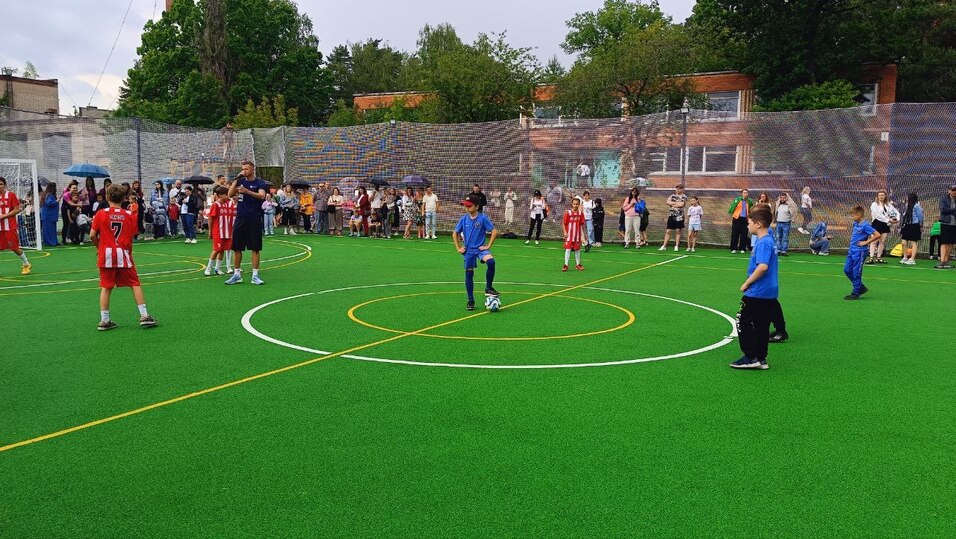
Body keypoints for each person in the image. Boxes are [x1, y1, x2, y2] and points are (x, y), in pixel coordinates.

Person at [89, 184, 157, 330]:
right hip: (123, 254)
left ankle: (104, 320)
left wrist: (99, 247)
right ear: (124, 198)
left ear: (107, 197)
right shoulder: (129, 215)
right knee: (134, 283)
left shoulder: (101, 213)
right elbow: (132, 234)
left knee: (106, 287)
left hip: (106, 254)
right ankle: (144, 315)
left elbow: (92, 235)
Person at [730, 206, 778, 370]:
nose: (747, 226)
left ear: (758, 224)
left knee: (742, 320)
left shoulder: (763, 242)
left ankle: (750, 356)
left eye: (749, 223)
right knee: (761, 325)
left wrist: (747, 283)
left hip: (757, 291)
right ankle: (761, 358)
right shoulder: (769, 239)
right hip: (769, 292)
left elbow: (763, 266)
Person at [225, 160, 269, 286]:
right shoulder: (240, 181)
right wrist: (236, 180)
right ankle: (237, 274)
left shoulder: (259, 182)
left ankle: (255, 275)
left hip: (254, 218)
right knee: (237, 247)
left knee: (255, 248)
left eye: (246, 169)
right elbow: (230, 194)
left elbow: (262, 196)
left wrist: (247, 191)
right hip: (240, 218)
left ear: (252, 169)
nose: (244, 171)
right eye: (243, 169)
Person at [453, 195, 499, 311]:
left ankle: (488, 288)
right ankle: (470, 300)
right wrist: (458, 248)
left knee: (491, 262)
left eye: (469, 206)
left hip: (480, 249)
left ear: (477, 206)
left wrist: (488, 246)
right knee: (469, 274)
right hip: (468, 251)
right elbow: (455, 233)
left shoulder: (483, 218)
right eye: (466, 206)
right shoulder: (463, 219)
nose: (467, 208)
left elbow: (494, 231)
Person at [844, 205, 882, 300]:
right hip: (852, 250)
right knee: (847, 270)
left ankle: (856, 292)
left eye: (853, 215)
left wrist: (866, 242)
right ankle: (861, 287)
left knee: (856, 272)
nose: (852, 217)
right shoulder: (855, 223)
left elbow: (877, 235)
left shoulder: (865, 225)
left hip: (860, 252)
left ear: (859, 215)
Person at [0, 177, 32, 275]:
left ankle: (26, 264)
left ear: (5, 185)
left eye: (1, 184)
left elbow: (17, 209)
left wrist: (4, 216)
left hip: (9, 227)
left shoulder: (11, 195)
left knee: (14, 247)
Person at [205, 186, 237, 276]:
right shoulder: (216, 205)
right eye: (226, 195)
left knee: (222, 250)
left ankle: (217, 268)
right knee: (216, 250)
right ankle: (208, 268)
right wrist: (210, 231)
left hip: (226, 232)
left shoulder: (226, 204)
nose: (227, 196)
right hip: (218, 231)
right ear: (220, 195)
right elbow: (210, 218)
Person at [867, 189, 896, 264]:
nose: (881, 196)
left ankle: (878, 257)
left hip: (885, 225)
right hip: (876, 223)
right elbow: (878, 215)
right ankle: (871, 258)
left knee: (882, 241)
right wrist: (888, 220)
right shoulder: (874, 204)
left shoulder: (888, 205)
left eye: (882, 195)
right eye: (879, 195)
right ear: (877, 196)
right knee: (874, 241)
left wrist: (894, 219)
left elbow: (893, 213)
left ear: (885, 196)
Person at [660, 184, 687, 252]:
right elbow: (667, 202)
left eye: (679, 188)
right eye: (677, 188)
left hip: (680, 216)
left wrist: (673, 203)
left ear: (682, 189)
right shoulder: (672, 196)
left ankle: (676, 246)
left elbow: (681, 205)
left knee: (678, 231)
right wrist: (676, 203)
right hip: (671, 215)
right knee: (668, 231)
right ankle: (664, 246)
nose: (678, 190)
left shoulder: (684, 197)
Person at [899, 192, 923, 266]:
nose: (907, 198)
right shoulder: (907, 205)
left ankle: (912, 259)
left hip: (914, 225)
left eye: (908, 197)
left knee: (913, 242)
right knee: (903, 242)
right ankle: (905, 257)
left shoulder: (917, 206)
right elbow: (905, 214)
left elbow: (920, 216)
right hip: (907, 225)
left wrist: (921, 225)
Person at [562, 197, 585, 271]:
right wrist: (565, 232)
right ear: (572, 204)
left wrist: (583, 235)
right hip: (569, 235)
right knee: (568, 249)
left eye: (577, 204)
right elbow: (564, 223)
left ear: (579, 205)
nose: (575, 205)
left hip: (577, 235)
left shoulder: (580, 213)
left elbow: (581, 224)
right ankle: (566, 265)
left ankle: (578, 264)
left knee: (577, 249)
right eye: (574, 204)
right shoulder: (568, 213)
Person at [728, 188, 753, 253]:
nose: (745, 194)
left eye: (746, 193)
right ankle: (734, 248)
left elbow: (751, 209)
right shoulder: (737, 200)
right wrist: (731, 212)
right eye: (744, 193)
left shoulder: (749, 201)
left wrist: (750, 217)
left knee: (744, 233)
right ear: (742, 193)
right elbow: (732, 207)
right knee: (735, 233)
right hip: (737, 218)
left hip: (745, 219)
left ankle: (742, 248)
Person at [936, 185, 956, 270]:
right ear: (949, 191)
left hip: (954, 225)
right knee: (944, 243)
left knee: (950, 243)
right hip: (945, 223)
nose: (954, 192)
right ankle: (942, 261)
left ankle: (946, 261)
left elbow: (946, 210)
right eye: (953, 190)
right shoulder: (943, 199)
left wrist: (950, 210)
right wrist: (954, 210)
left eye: (955, 190)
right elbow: (943, 209)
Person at [39, 182, 59, 247]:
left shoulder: (48, 194)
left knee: (52, 229)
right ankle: (49, 242)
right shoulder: (48, 195)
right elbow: (49, 203)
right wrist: (56, 201)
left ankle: (53, 241)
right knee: (48, 230)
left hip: (50, 215)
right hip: (48, 215)